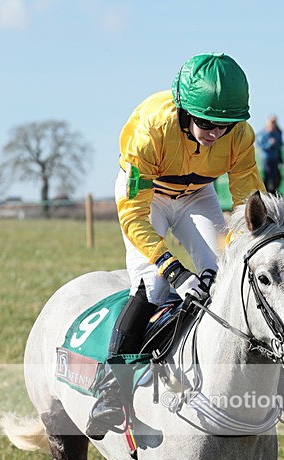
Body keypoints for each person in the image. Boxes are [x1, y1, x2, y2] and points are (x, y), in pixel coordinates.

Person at [86, 53, 266, 439]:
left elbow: (249, 206)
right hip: (146, 197)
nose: (216, 133)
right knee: (154, 285)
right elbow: (134, 217)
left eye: (226, 125)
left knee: (223, 276)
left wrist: (242, 250)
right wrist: (174, 269)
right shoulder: (151, 128)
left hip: (197, 195)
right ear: (184, 109)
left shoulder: (241, 136)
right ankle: (109, 388)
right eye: (206, 123)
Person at [256, 115, 284, 193]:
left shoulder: (277, 133)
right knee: (267, 175)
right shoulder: (262, 134)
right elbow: (260, 145)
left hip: (275, 157)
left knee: (276, 176)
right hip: (266, 157)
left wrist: (275, 144)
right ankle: (266, 191)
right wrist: (269, 144)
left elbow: (280, 144)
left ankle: (274, 191)